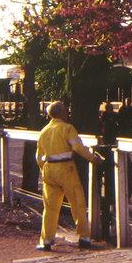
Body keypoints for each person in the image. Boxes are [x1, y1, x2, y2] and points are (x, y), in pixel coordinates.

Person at [36, 101, 102, 251]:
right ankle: (84, 237)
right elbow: (78, 146)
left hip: (48, 170)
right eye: (65, 111)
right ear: (61, 113)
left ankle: (46, 240)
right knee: (77, 203)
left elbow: (38, 156)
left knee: (50, 207)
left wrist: (44, 169)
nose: (67, 113)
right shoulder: (67, 128)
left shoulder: (44, 131)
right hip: (66, 169)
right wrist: (93, 158)